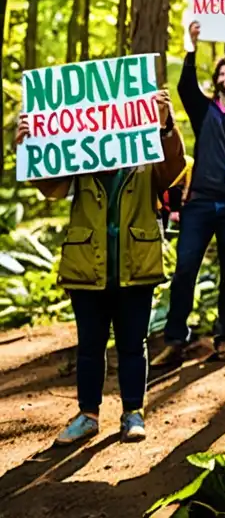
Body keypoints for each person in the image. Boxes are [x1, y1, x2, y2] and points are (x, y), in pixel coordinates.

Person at [16, 91, 186, 445]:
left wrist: (166, 124)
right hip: (87, 266)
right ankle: (87, 415)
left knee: (132, 344)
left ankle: (133, 414)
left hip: (135, 265)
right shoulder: (77, 154)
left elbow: (172, 171)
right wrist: (30, 145)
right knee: (90, 345)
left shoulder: (145, 153)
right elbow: (50, 187)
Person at [153, 22, 225, 367]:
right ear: (216, 81)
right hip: (199, 203)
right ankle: (175, 340)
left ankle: (224, 338)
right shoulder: (205, 112)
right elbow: (185, 86)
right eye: (223, 72)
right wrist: (191, 45)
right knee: (185, 269)